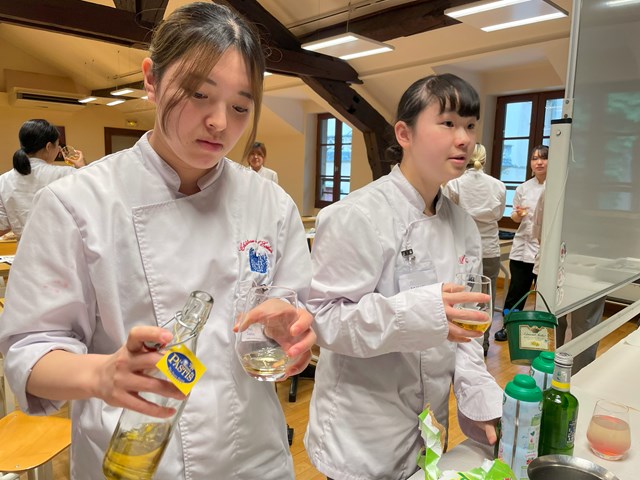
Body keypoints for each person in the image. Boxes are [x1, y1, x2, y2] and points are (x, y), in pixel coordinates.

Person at [0, 3, 315, 480]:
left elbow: (297, 310)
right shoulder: (77, 203)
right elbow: (29, 350)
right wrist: (101, 374)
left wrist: (297, 333)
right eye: (199, 94)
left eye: (240, 107)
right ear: (151, 79)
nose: (220, 122)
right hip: (133, 460)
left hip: (252, 457)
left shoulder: (270, 203)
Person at [304, 73, 503, 480]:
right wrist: (424, 313)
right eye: (447, 123)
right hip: (362, 432)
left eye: (470, 126)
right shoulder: (356, 216)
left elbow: (465, 331)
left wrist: (479, 400)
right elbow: (324, 320)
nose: (464, 139)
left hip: (429, 422)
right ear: (404, 134)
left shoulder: (462, 225)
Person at [443, 143, 506, 355]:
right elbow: (499, 215)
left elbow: (446, 214)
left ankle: (459, 343)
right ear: (484, 160)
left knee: (459, 297)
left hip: (461, 249)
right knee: (486, 298)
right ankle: (482, 344)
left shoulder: (454, 184)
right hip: (489, 248)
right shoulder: (498, 185)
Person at [531, 192, 605, 374]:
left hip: (558, 265)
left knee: (551, 324)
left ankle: (547, 375)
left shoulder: (553, 187)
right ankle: (576, 379)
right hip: (589, 267)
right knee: (584, 327)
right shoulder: (601, 188)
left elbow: (539, 231)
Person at [494, 145, 548, 342]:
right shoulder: (523, 188)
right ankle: (508, 327)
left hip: (543, 249)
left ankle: (541, 333)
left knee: (543, 294)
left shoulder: (554, 188)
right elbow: (515, 218)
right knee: (516, 292)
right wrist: (517, 214)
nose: (539, 162)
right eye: (534, 158)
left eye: (543, 158)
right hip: (522, 248)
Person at [0, 119, 85, 238]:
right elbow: (91, 204)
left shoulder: (3, 180)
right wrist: (83, 169)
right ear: (49, 146)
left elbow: (2, 226)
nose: (59, 150)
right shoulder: (67, 174)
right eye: (58, 145)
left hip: (25, 248)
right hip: (61, 246)